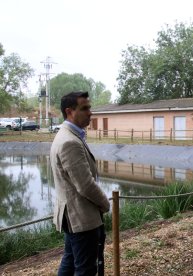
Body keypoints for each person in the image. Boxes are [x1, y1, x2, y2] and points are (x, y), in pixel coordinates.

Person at [50, 91, 110, 275]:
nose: (90, 112)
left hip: (73, 216)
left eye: (89, 107)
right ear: (70, 111)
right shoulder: (70, 142)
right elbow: (85, 185)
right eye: (85, 108)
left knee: (70, 262)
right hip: (82, 218)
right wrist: (105, 204)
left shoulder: (67, 136)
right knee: (86, 269)